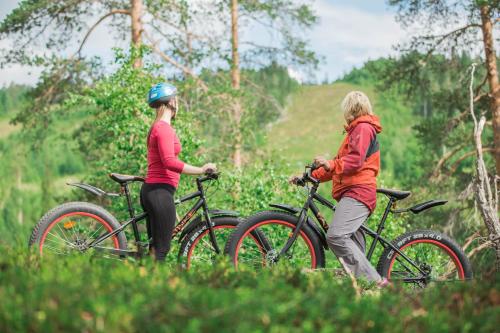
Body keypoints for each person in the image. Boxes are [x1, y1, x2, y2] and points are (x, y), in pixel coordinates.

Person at [290, 91, 387, 286]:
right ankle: (366, 288)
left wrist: (330, 164)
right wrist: (308, 177)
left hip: (358, 192)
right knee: (353, 249)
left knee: (336, 236)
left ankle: (376, 283)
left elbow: (354, 161)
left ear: (351, 109)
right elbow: (338, 166)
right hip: (353, 192)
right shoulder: (356, 131)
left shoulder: (363, 128)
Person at [141, 82, 216, 262]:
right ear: (170, 101)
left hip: (156, 192)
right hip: (159, 192)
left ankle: (141, 283)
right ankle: (151, 288)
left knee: (154, 251)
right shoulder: (163, 128)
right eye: (176, 98)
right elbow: (169, 162)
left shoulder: (158, 127)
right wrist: (201, 170)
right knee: (161, 250)